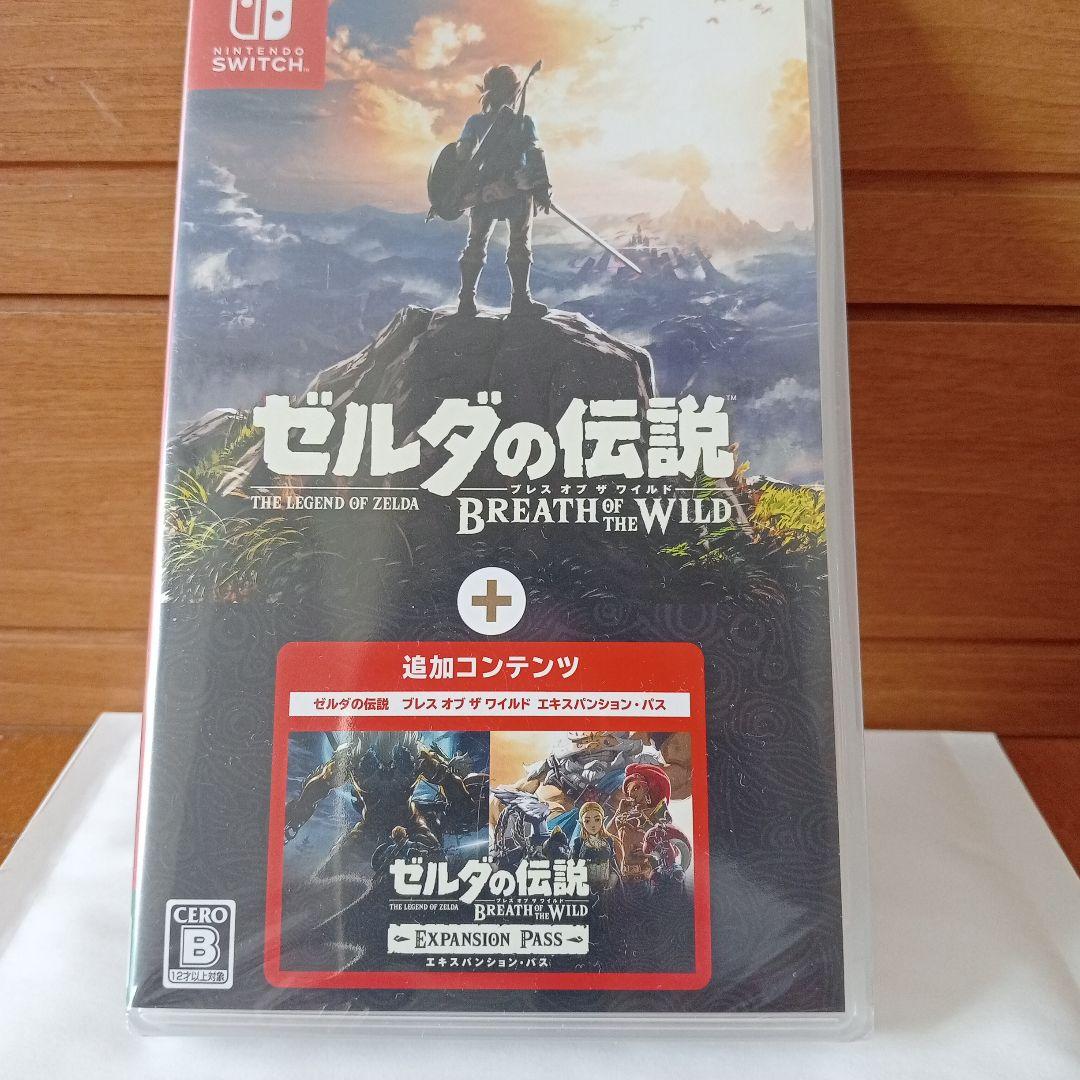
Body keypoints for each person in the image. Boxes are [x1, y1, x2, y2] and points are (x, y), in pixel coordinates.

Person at [455, 64, 552, 318]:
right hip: (513, 191)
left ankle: (467, 300)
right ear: (513, 92)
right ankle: (520, 300)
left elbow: (462, 155)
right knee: (518, 243)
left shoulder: (476, 122)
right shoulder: (523, 122)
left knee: (476, 243)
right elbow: (534, 154)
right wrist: (541, 187)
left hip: (486, 191)